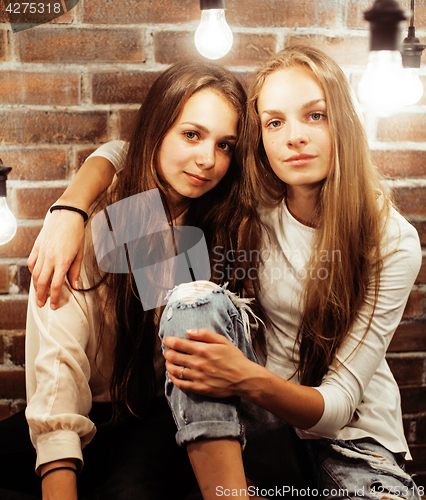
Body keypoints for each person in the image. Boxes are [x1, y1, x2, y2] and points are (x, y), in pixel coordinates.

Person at [23, 46, 423, 499]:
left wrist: (242, 377)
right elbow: (128, 152)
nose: (208, 160)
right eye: (275, 122)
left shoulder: (380, 236)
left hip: (341, 432)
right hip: (228, 421)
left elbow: (338, 405)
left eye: (316, 115)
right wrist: (70, 208)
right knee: (194, 301)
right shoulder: (215, 208)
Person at [0, 60, 266, 500]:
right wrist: (71, 207)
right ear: (157, 129)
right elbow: (57, 377)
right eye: (192, 134)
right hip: (82, 409)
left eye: (225, 145)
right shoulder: (89, 226)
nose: (208, 160)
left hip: (157, 414)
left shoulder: (217, 224)